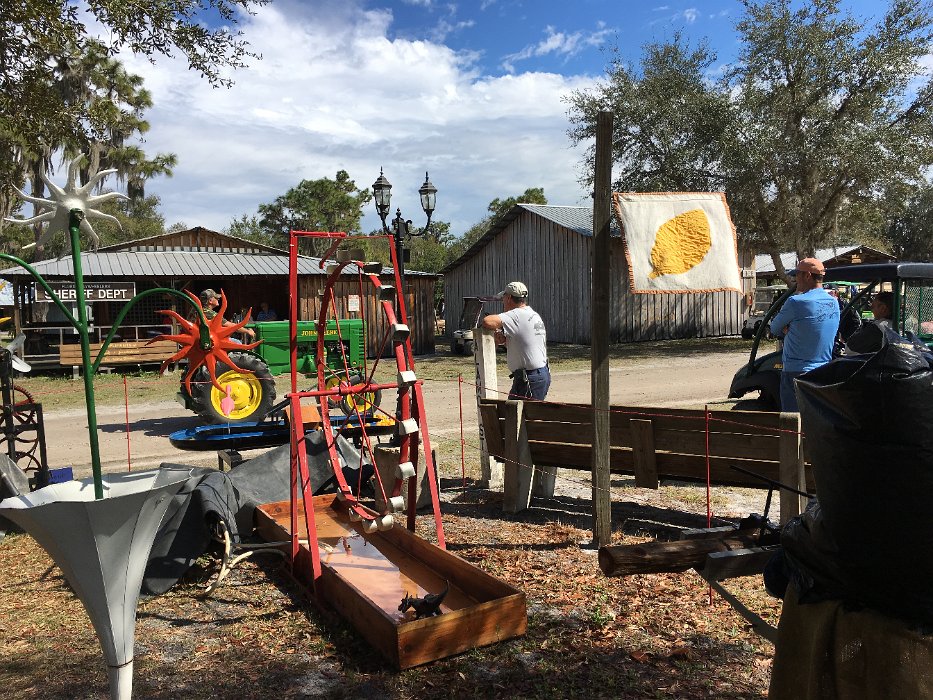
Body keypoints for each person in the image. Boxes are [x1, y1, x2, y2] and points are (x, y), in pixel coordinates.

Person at [769, 259, 840, 412]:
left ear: (807, 275)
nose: (795, 279)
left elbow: (774, 328)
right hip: (822, 371)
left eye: (797, 275)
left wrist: (788, 329)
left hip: (796, 372)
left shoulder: (796, 302)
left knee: (793, 424)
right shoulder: (833, 302)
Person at [480, 281, 550, 400]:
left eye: (503, 298)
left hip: (529, 378)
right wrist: (504, 338)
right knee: (515, 414)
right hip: (535, 375)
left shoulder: (516, 315)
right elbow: (524, 342)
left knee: (518, 416)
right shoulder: (532, 314)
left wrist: (496, 329)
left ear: (509, 298)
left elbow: (487, 321)